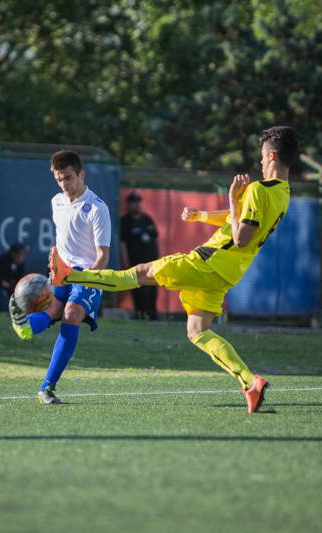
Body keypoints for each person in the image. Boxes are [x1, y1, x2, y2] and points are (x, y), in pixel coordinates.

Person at [49, 126, 298, 413]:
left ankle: (70, 274)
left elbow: (241, 236)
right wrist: (202, 215)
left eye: (263, 157)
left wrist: (233, 195)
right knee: (197, 331)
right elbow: (238, 219)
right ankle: (249, 382)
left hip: (208, 262)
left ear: (273, 155)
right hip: (228, 272)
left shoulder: (256, 189)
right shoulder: (282, 193)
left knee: (139, 273)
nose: (261, 162)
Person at [8, 150, 111, 405]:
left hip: (88, 274)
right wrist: (55, 257)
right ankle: (26, 327)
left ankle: (47, 387)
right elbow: (64, 239)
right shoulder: (56, 201)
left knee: (70, 314)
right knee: (53, 309)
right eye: (59, 179)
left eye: (68, 178)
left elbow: (103, 256)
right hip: (60, 273)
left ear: (81, 174)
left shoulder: (98, 208)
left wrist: (88, 278)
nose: (64, 184)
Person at [120, 190, 160, 320]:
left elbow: (155, 239)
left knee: (153, 293)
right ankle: (141, 316)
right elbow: (122, 244)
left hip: (152, 264)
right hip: (136, 265)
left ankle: (153, 317)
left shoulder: (147, 219)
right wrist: (125, 264)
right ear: (128, 204)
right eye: (134, 202)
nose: (137, 205)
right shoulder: (125, 221)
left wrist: (159, 259)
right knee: (140, 293)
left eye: (139, 202)